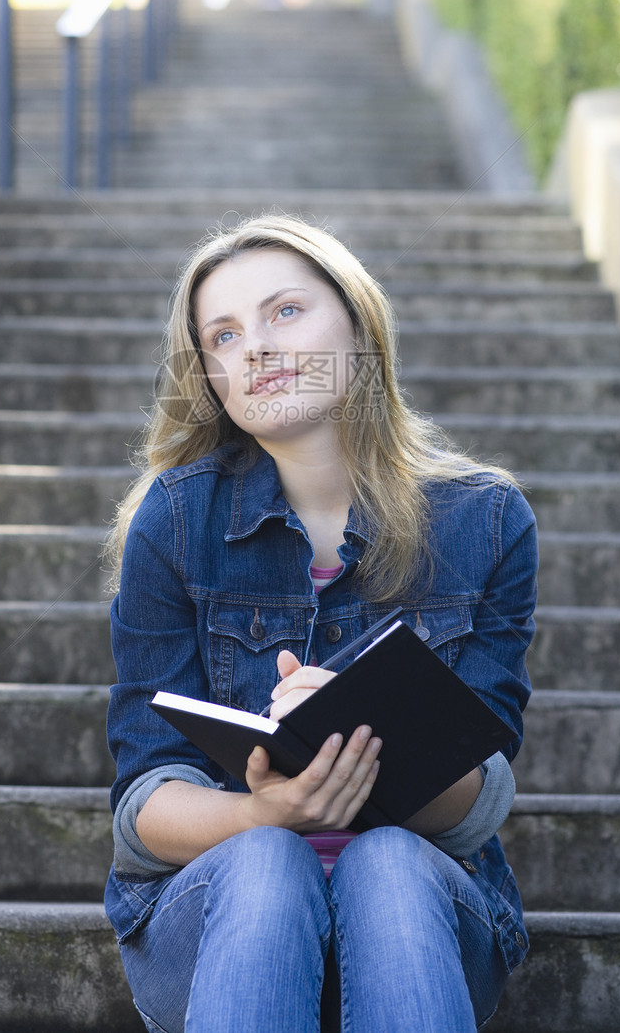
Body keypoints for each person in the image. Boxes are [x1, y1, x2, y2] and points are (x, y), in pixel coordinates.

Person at [104, 213, 537, 1032]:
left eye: (285, 312)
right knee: (267, 862)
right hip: (218, 928)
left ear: (359, 323)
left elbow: (478, 803)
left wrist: (365, 734)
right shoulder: (173, 522)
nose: (256, 349)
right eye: (223, 336)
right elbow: (143, 808)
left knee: (388, 863)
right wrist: (265, 814)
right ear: (212, 380)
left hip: (422, 924)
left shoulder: (486, 521)